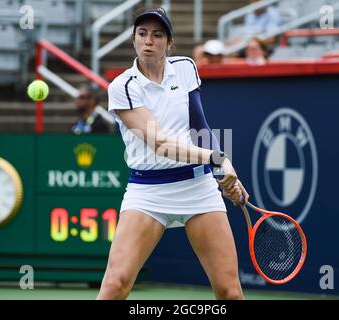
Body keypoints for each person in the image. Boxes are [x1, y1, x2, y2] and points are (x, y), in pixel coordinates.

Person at [96, 7, 249, 300]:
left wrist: (223, 175)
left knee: (230, 293)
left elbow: (199, 125)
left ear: (169, 42)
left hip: (198, 188)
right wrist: (218, 159)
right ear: (134, 39)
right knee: (115, 286)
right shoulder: (122, 87)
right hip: (148, 192)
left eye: (157, 35)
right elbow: (161, 144)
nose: (148, 41)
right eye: (142, 34)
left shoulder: (186, 67)